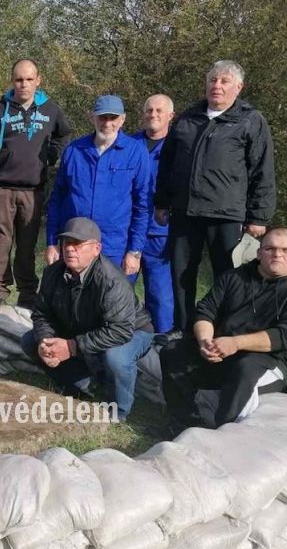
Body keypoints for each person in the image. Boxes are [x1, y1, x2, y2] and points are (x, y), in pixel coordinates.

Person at [154, 60, 276, 336]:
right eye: (213, 80)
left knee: (230, 276)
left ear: (238, 87)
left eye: (224, 81)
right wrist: (161, 201)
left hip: (227, 214)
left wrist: (259, 216)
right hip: (185, 212)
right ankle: (182, 329)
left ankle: (225, 330)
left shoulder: (250, 120)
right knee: (181, 274)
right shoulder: (188, 117)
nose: (216, 86)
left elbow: (262, 170)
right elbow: (167, 164)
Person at [160, 227, 287, 434]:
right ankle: (184, 422)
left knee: (245, 370)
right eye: (270, 248)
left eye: (286, 250)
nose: (277, 254)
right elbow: (205, 311)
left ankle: (225, 435)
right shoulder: (234, 277)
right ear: (259, 252)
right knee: (174, 352)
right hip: (222, 354)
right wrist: (205, 342)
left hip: (271, 362)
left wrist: (235, 343)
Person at [22, 217, 154, 422]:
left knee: (116, 357)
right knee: (31, 341)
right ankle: (85, 387)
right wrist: (44, 339)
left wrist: (73, 346)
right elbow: (41, 313)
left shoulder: (111, 280)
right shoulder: (52, 273)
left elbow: (120, 330)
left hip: (133, 330)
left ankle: (119, 412)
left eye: (77, 244)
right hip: (84, 327)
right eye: (66, 243)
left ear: (96, 248)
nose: (70, 249)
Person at [0, 59, 70, 308]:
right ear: (12, 81)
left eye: (29, 79)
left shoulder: (50, 110)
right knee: (1, 242)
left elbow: (63, 134)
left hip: (33, 190)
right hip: (2, 189)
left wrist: (52, 155)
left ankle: (28, 292)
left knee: (27, 245)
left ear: (38, 80)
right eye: (18, 79)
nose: (23, 84)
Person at [44, 94, 150, 285]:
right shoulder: (74, 151)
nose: (107, 123)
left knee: (113, 304)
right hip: (74, 242)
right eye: (102, 117)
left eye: (113, 118)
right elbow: (57, 199)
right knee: (71, 300)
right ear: (92, 117)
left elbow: (142, 206)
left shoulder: (136, 152)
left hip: (115, 244)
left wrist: (134, 251)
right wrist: (52, 242)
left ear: (123, 119)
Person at [131, 94, 176, 333]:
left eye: (159, 111)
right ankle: (115, 342)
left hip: (160, 234)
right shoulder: (128, 144)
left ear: (171, 116)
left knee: (160, 296)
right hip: (128, 232)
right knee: (119, 292)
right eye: (149, 110)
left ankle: (162, 344)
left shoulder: (179, 148)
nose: (153, 115)